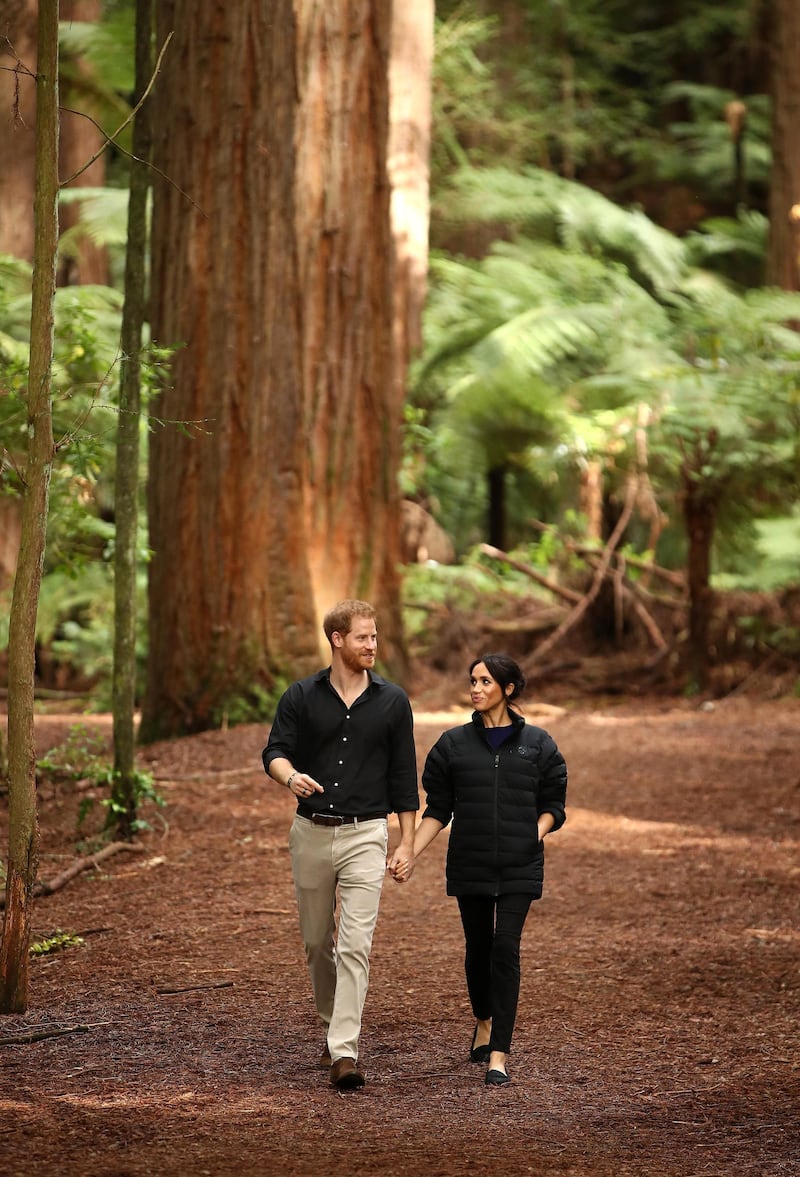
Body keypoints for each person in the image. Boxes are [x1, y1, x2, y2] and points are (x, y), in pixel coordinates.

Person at [262, 599, 418, 1091]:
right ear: (337, 639)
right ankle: (335, 1024)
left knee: (356, 944)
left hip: (366, 834)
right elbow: (274, 751)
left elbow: (403, 777)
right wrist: (291, 779)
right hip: (310, 831)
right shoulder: (301, 696)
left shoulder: (393, 702)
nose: (372, 645)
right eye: (363, 638)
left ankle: (344, 1050)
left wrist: (407, 842)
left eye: (374, 637)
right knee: (316, 943)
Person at [398, 653, 567, 1086]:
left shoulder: (539, 744)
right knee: (478, 951)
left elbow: (554, 805)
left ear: (507, 690)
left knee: (505, 950)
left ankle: (499, 1055)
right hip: (470, 860)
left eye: (485, 681)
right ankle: (484, 1018)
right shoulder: (453, 745)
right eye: (472, 680)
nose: (475, 688)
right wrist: (409, 850)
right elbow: (439, 809)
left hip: (519, 863)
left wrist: (536, 833)